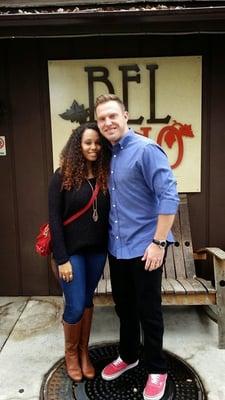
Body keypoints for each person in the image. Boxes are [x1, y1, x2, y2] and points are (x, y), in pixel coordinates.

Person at [95, 94, 179, 400]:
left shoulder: (146, 150)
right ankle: (129, 355)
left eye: (112, 116)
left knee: (149, 311)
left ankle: (157, 369)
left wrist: (158, 243)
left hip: (146, 249)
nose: (107, 123)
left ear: (126, 116)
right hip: (118, 249)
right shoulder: (108, 154)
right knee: (125, 308)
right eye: (102, 118)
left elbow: (169, 197)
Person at [48, 122, 110, 382]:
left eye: (97, 142)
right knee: (74, 305)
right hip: (70, 254)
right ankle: (71, 354)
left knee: (86, 301)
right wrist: (61, 258)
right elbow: (54, 220)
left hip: (96, 252)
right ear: (78, 145)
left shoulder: (105, 174)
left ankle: (84, 353)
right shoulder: (62, 176)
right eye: (88, 142)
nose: (93, 147)